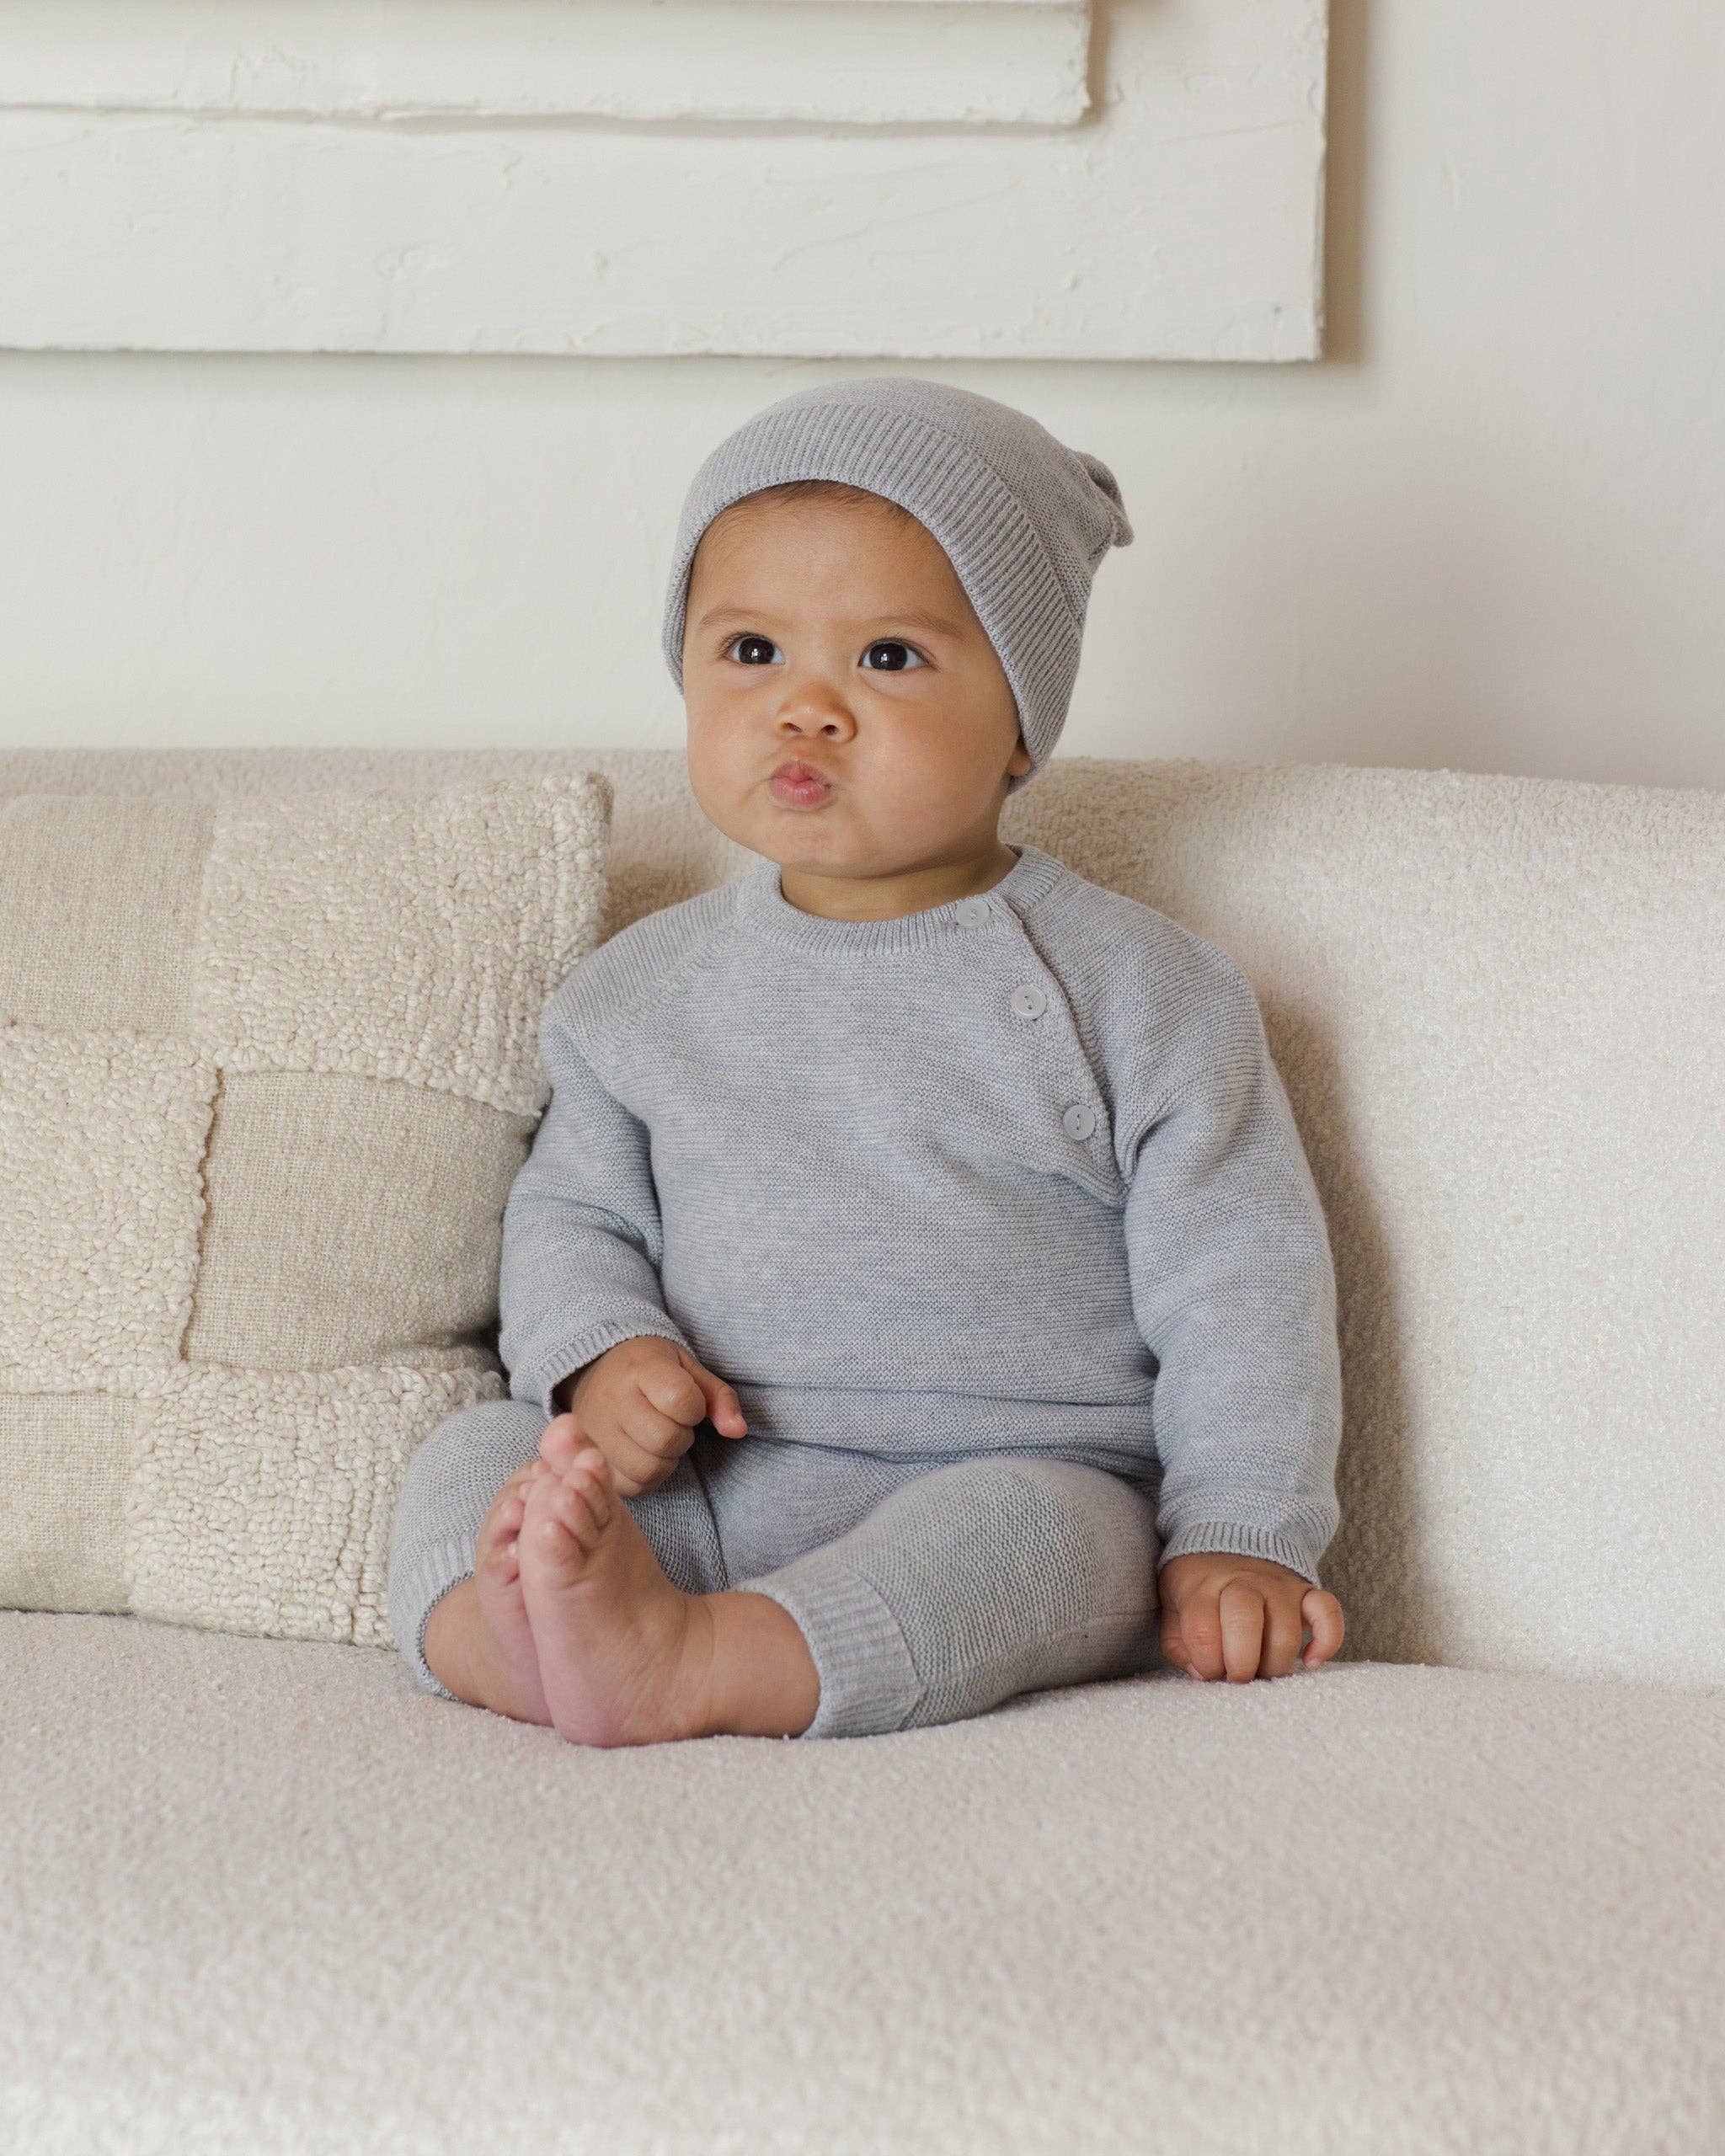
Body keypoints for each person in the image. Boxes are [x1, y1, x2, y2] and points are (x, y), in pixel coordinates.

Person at [387, 375, 1346, 1744]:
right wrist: (604, 1354)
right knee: (473, 1458)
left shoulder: (1146, 990)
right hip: (700, 1486)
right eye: (751, 652)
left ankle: (702, 1662)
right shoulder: (639, 992)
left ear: (1022, 721)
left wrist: (1243, 1530)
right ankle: (512, 1637)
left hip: (998, 1474)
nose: (806, 710)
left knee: (1058, 1537)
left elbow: (1242, 1282)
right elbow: (571, 1213)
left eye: (888, 658)